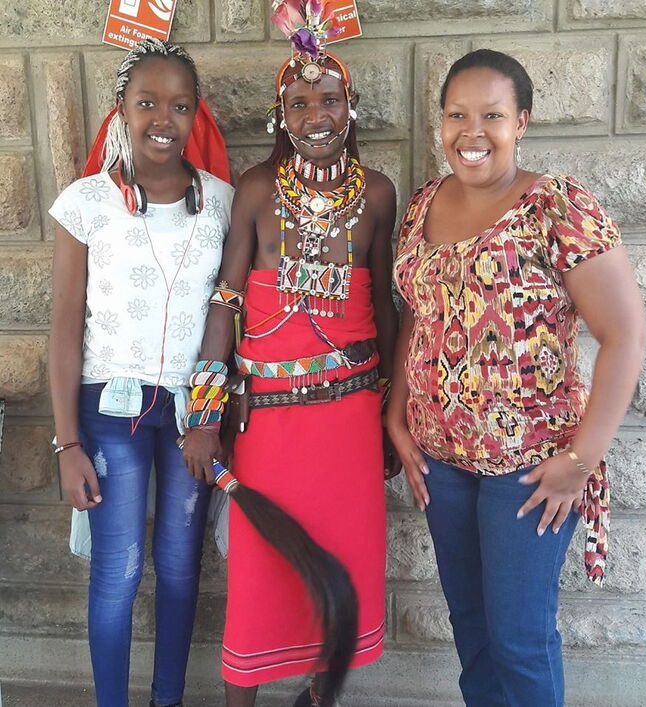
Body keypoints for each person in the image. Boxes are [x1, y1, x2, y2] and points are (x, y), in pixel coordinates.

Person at [388, 49, 646, 706]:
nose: (471, 132)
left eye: (492, 115)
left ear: (521, 121)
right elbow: (418, 316)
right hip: (441, 464)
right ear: (440, 121)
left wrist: (581, 459)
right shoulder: (422, 206)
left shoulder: (555, 207)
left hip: (530, 468)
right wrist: (396, 414)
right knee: (473, 633)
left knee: (519, 639)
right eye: (456, 115)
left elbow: (625, 337)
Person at [182, 3, 397, 705]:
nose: (316, 115)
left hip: (351, 423)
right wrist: (204, 416)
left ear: (351, 107)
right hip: (268, 425)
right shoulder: (255, 192)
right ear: (281, 115)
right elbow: (225, 303)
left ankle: (318, 695)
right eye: (299, 103)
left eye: (329, 100)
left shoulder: (378, 197)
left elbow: (388, 311)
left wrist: (393, 414)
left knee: (338, 569)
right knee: (261, 574)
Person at [48, 38, 234, 707]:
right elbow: (65, 325)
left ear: (196, 116)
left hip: (190, 414)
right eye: (147, 102)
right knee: (119, 570)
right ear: (122, 111)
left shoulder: (220, 203)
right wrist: (68, 443)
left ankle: (168, 699)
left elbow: (227, 315)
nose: (164, 117)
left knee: (182, 569)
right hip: (110, 410)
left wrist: (210, 416)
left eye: (179, 105)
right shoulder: (86, 202)